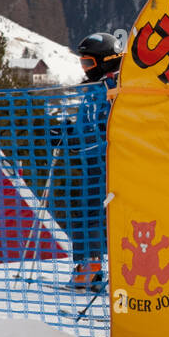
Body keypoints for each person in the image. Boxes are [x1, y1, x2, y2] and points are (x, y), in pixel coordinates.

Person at [67, 32, 122, 290]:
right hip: (89, 160)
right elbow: (86, 123)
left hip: (106, 162)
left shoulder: (113, 87)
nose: (85, 69)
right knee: (84, 212)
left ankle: (93, 268)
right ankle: (90, 267)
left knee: (97, 215)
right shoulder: (95, 87)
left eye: (89, 63)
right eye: (83, 64)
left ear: (104, 60)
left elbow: (112, 124)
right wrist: (67, 133)